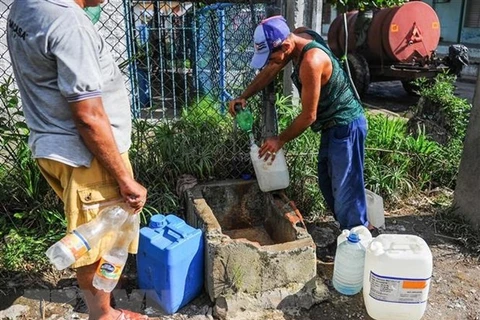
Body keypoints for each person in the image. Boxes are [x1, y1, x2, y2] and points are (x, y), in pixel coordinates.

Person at [7, 1, 148, 319]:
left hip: (55, 144)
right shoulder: (69, 23)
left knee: (92, 233)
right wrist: (125, 179)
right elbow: (88, 116)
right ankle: (104, 314)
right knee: (97, 239)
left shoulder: (27, 5)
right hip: (86, 154)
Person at [229, 16, 369, 231]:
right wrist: (245, 95)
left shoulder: (311, 62)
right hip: (333, 127)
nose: (270, 61)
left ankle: (357, 236)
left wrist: (280, 140)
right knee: (327, 182)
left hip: (346, 126)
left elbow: (308, 116)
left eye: (270, 56)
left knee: (346, 188)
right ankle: (347, 232)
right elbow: (273, 68)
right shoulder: (299, 36)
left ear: (285, 45)